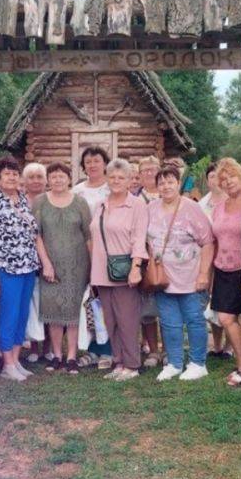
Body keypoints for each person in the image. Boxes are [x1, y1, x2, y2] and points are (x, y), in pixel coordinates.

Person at [149, 165, 214, 381]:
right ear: (157, 186)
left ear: (178, 184)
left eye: (170, 182)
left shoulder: (191, 208)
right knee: (169, 321)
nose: (166, 186)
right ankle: (175, 363)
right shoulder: (151, 208)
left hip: (190, 275)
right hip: (163, 277)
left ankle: (198, 362)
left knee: (194, 319)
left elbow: (207, 242)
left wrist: (204, 274)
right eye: (161, 183)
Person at [0, 156, 40, 382]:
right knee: (9, 314)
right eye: (7, 173)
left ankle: (15, 360)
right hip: (6, 267)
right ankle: (6, 364)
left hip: (28, 266)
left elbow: (32, 234)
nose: (12, 177)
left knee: (22, 315)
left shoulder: (23, 200)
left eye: (15, 173)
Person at [89, 158, 148, 381]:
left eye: (121, 177)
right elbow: (93, 237)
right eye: (112, 177)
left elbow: (139, 238)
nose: (116, 181)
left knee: (127, 319)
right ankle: (118, 361)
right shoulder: (100, 205)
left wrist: (136, 267)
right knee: (110, 320)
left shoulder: (136, 205)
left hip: (124, 271)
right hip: (101, 271)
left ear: (129, 180)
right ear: (107, 178)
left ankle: (132, 364)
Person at [33, 162, 92, 374]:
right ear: (48, 180)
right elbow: (36, 235)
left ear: (69, 179)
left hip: (77, 266)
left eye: (62, 176)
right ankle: (56, 355)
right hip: (50, 266)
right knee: (53, 310)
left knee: (73, 310)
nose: (58, 180)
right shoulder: (39, 202)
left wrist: (93, 266)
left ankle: (72, 357)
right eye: (54, 176)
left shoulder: (80, 203)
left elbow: (88, 236)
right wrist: (46, 263)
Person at [209, 158, 241, 387]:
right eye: (223, 179)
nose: (228, 182)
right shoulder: (219, 207)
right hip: (223, 269)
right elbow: (215, 240)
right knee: (226, 318)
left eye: (232, 176)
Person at [73, 146, 114, 369]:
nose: (92, 165)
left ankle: (107, 349)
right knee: (88, 301)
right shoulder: (77, 191)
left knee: (106, 300)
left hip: (109, 250)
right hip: (83, 251)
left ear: (104, 163)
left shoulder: (111, 188)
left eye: (96, 160)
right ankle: (90, 348)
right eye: (88, 161)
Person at [134, 155, 163, 367]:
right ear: (140, 175)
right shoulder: (134, 200)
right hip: (145, 260)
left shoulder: (170, 195)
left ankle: (171, 350)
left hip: (171, 260)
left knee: (171, 307)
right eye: (145, 170)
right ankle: (153, 351)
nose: (150, 173)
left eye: (153, 169)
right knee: (148, 309)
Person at [198, 162, 229, 357]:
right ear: (207, 180)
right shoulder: (201, 204)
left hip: (228, 257)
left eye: (219, 176)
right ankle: (216, 344)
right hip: (208, 258)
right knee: (211, 300)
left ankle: (230, 344)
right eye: (211, 176)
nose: (215, 180)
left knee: (229, 302)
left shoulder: (232, 200)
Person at [21, 162, 49, 362]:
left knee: (47, 302)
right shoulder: (20, 201)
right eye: (31, 177)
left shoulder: (51, 199)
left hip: (50, 257)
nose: (36, 180)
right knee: (31, 303)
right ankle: (33, 346)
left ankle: (49, 346)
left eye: (39, 176)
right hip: (26, 259)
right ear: (24, 180)